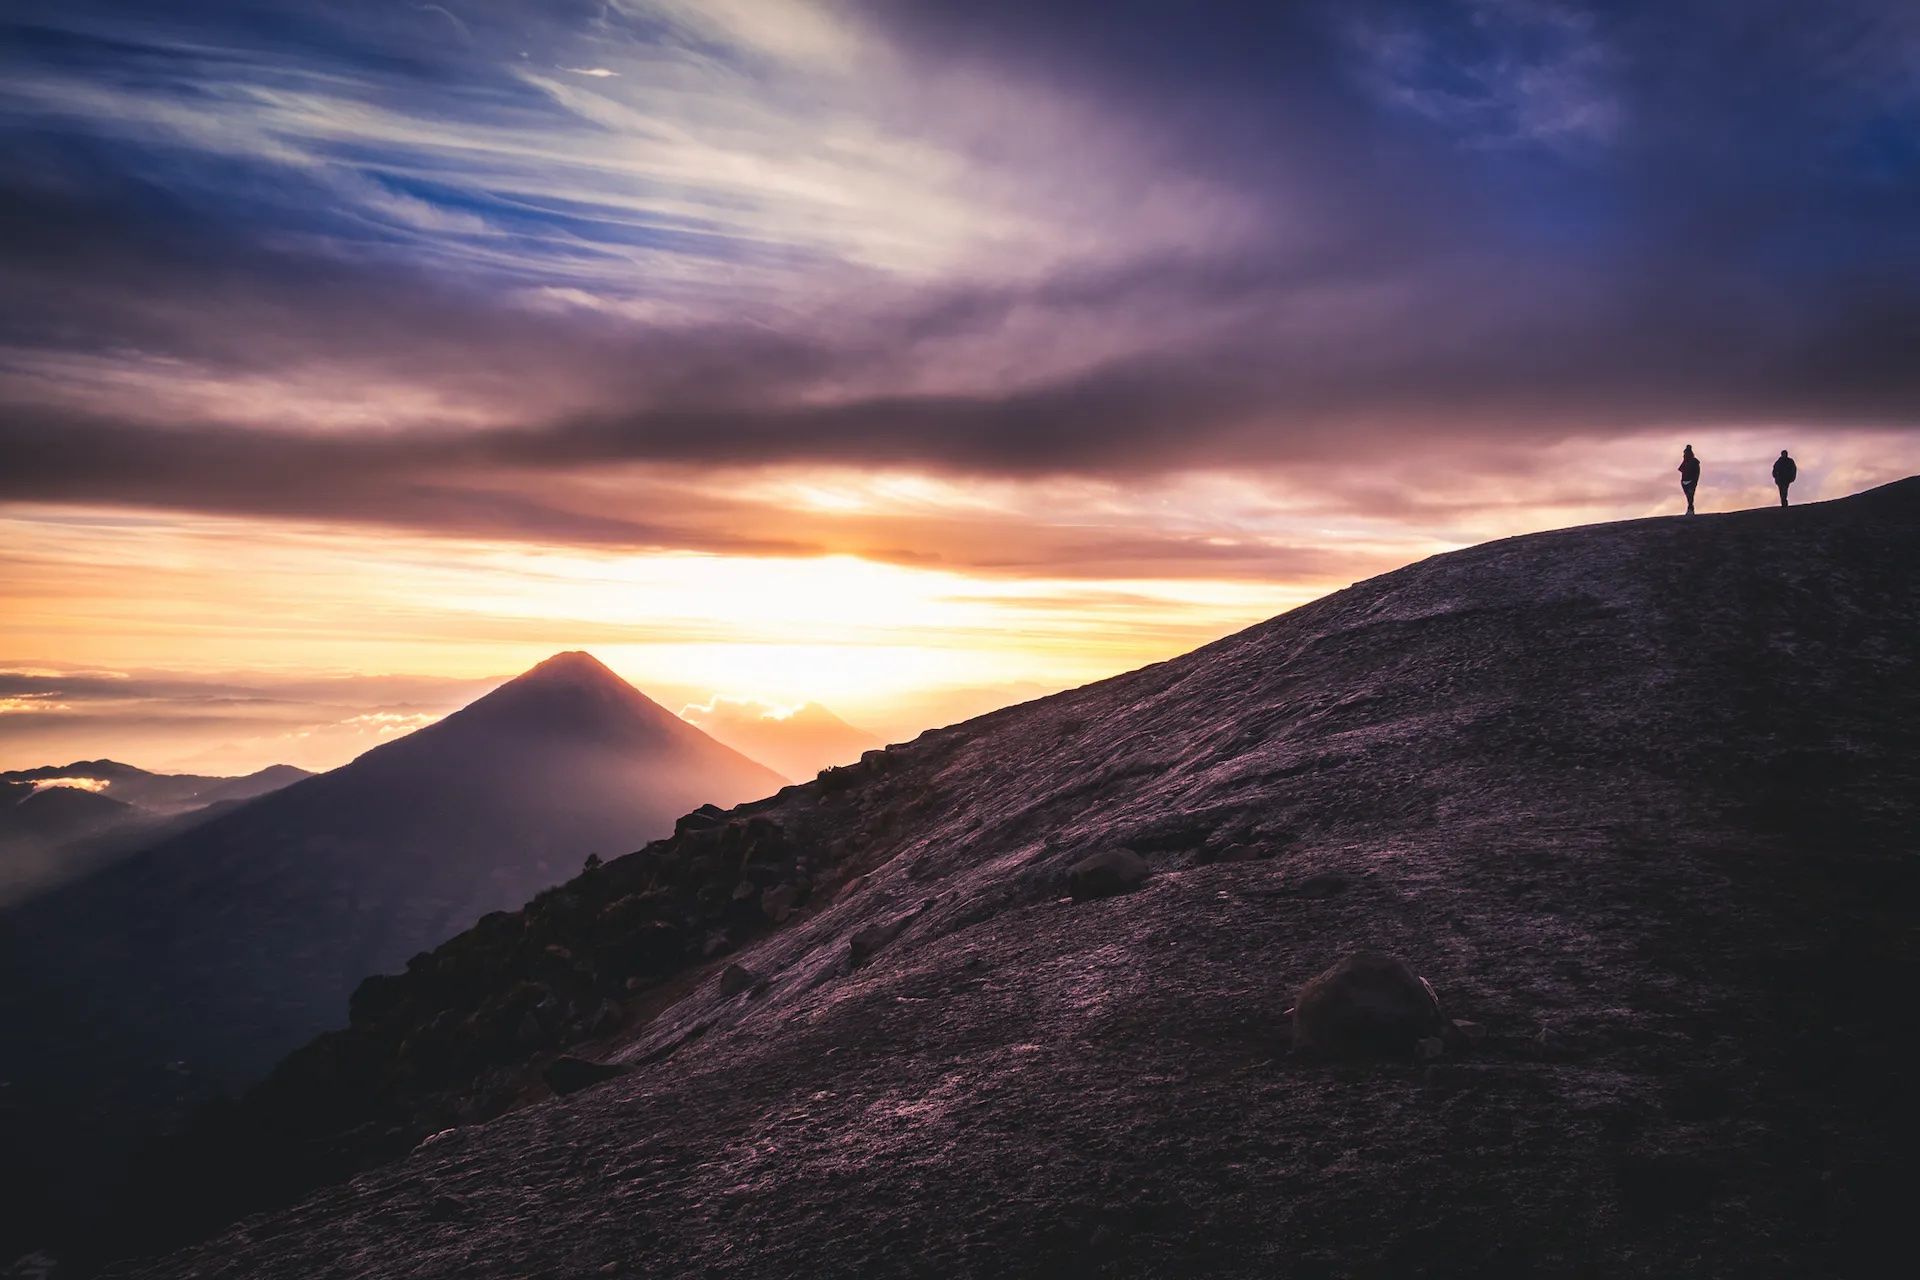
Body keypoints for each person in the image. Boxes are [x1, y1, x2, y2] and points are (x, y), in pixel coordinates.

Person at [1677, 445, 1700, 515]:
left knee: (1690, 496)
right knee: (1689, 496)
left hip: (1690, 481)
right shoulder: (1686, 461)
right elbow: (1680, 469)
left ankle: (1690, 510)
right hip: (1685, 481)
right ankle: (1690, 509)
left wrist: (1694, 481)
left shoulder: (1694, 462)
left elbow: (1697, 473)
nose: (1684, 455)